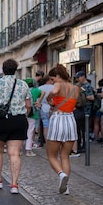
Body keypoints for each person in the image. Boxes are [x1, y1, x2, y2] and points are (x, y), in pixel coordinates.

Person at [0, 59, 31, 194]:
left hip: (0, 121)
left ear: (3, 70)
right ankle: (14, 185)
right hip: (18, 121)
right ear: (15, 69)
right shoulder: (23, 85)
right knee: (15, 153)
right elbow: (28, 105)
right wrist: (23, 116)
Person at [45, 64, 80, 195]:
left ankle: (61, 175)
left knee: (51, 155)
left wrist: (49, 99)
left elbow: (54, 92)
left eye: (53, 79)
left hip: (58, 119)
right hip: (70, 120)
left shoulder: (58, 84)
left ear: (58, 76)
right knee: (65, 156)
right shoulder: (76, 88)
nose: (52, 82)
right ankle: (66, 187)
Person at [73, 71, 95, 157]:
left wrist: (83, 97)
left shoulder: (87, 86)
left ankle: (84, 146)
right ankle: (81, 145)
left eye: (78, 78)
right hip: (82, 110)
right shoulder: (82, 86)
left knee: (84, 129)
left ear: (83, 77)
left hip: (87, 110)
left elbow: (92, 97)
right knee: (81, 129)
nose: (78, 80)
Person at [36, 76, 54, 147]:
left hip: (43, 107)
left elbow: (37, 99)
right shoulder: (54, 88)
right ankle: (54, 142)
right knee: (53, 126)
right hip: (53, 107)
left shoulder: (39, 88)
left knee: (45, 125)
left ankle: (47, 142)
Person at [25, 78, 41, 156]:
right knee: (30, 131)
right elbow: (43, 92)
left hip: (22, 113)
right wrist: (38, 101)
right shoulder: (36, 90)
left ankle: (19, 149)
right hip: (32, 113)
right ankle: (28, 149)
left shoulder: (23, 90)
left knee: (21, 131)